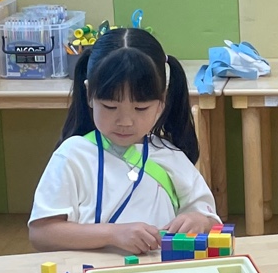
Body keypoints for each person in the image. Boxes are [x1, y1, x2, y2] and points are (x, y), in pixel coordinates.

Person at [30, 27, 218, 254]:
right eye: (110, 107)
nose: (125, 121)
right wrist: (113, 233)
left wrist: (198, 220)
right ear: (90, 94)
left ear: (161, 102)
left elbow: (208, 218)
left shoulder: (170, 155)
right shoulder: (73, 155)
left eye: (140, 108)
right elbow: (42, 233)